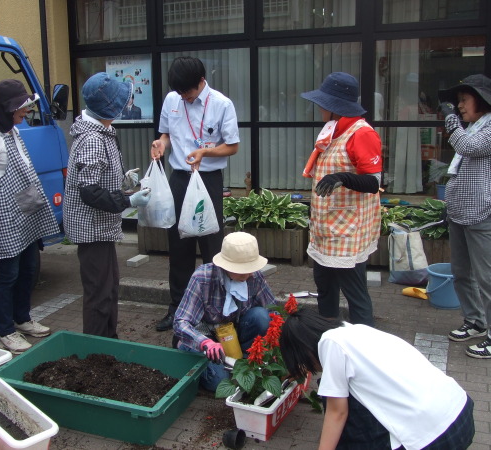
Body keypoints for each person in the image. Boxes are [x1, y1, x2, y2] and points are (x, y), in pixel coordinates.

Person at [280, 308, 475, 449]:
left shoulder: (331, 343)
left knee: (336, 398)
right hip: (460, 416)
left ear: (302, 349)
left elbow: (337, 413)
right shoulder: (356, 331)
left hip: (432, 439)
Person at [150, 56, 240, 332]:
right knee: (179, 250)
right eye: (180, 93)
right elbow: (165, 133)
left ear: (202, 82)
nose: (184, 97)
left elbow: (232, 146)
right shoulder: (171, 100)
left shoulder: (222, 104)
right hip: (179, 179)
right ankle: (178, 309)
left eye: (187, 92)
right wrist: (160, 143)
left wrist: (205, 152)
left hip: (209, 181)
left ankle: (218, 313)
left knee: (213, 249)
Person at [0, 79, 59, 354]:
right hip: (6, 215)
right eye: (22, 106)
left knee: (29, 269)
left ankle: (23, 319)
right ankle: (5, 331)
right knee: (8, 274)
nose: (26, 110)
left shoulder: (11, 131)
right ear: (8, 108)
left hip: (24, 212)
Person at [63, 72, 151, 338]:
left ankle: (109, 342)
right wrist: (128, 200)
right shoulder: (92, 138)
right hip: (91, 229)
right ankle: (97, 351)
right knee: (99, 294)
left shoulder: (101, 130)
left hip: (100, 227)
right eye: (121, 101)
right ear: (110, 107)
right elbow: (89, 192)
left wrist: (123, 181)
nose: (125, 105)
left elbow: (94, 178)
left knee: (110, 287)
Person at [300, 72, 382, 327]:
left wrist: (343, 177)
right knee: (324, 284)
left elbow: (373, 182)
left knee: (354, 291)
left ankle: (364, 344)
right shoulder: (332, 130)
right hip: (327, 225)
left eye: (322, 103)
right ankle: (329, 332)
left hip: (348, 230)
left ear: (333, 106)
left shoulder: (362, 133)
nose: (320, 108)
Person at [173, 232, 276, 391]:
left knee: (261, 316)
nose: (247, 274)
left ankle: (247, 363)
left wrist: (282, 342)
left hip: (234, 333)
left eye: (249, 268)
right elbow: (180, 322)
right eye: (241, 270)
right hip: (206, 338)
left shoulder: (254, 277)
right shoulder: (203, 277)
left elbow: (272, 310)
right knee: (220, 383)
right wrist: (205, 342)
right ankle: (189, 356)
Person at [438, 74, 491, 358]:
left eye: (463, 100)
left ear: (481, 99)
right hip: (460, 211)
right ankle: (475, 321)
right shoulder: (471, 128)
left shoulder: (487, 128)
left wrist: (450, 121)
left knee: (487, 277)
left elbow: (468, 148)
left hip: (483, 211)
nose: (458, 106)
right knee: (461, 273)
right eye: (457, 102)